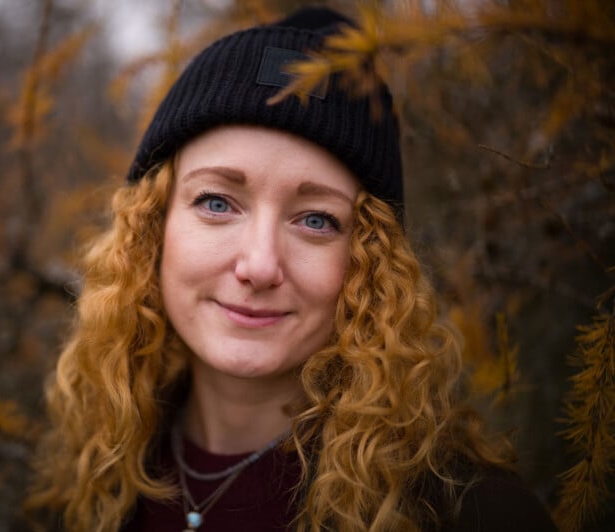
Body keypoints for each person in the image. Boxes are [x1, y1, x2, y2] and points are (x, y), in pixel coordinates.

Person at [29, 7, 557, 532]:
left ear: (370, 263)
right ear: (152, 230)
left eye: (316, 219)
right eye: (217, 202)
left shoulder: (470, 513)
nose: (259, 265)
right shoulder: (90, 483)